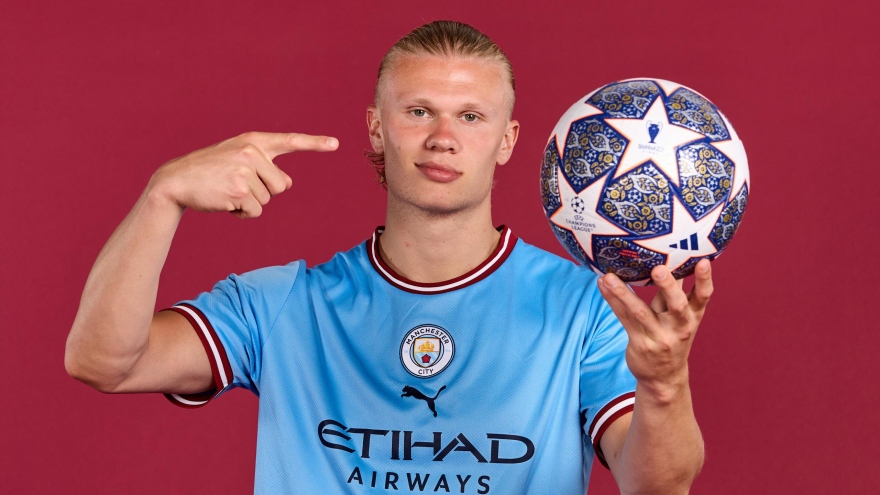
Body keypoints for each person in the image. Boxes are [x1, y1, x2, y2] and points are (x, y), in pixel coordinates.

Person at [65, 20, 710, 494]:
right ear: (377, 127)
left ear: (507, 141)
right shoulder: (283, 306)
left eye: (472, 117)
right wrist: (162, 196)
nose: (443, 138)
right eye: (419, 111)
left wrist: (664, 383)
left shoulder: (584, 309)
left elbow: (658, 485)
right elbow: (103, 363)